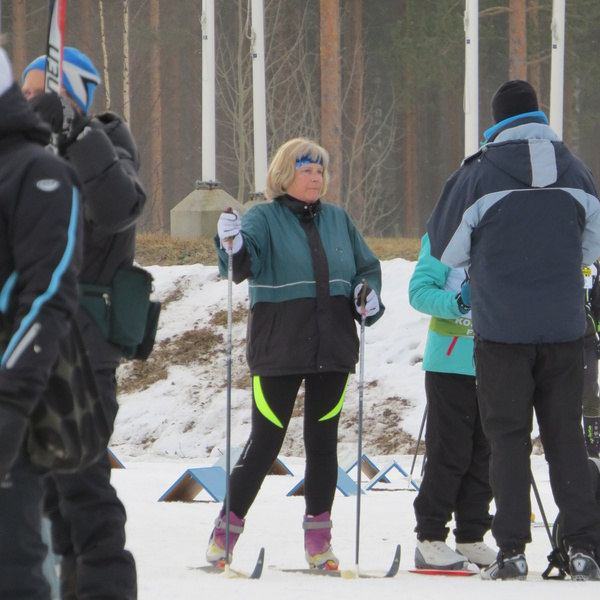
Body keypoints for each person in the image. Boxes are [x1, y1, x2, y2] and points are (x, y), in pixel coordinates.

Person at [427, 79, 600, 581]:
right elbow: (592, 248)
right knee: (566, 437)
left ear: (497, 119)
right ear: (538, 115)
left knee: (507, 440)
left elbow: (445, 250)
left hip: (502, 330)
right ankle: (584, 548)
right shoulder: (576, 170)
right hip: (564, 329)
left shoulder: (477, 174)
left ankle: (511, 551)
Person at [206, 137, 384, 570]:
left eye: (320, 170)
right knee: (265, 442)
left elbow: (366, 269)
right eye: (307, 170)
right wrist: (230, 242)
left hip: (333, 347)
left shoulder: (339, 219)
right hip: (279, 347)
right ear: (285, 174)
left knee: (323, 444)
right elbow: (241, 264)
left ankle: (319, 543)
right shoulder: (263, 217)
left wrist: (367, 294)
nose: (316, 178)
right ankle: (224, 534)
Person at [22, 47, 146, 599]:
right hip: (27, 345)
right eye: (22, 94)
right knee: (47, 495)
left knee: (82, 488)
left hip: (82, 348)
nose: (28, 102)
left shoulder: (108, 145)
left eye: (38, 93)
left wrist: (75, 132)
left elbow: (117, 207)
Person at [0, 48, 83, 599]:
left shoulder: (38, 170)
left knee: (14, 562)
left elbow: (48, 291)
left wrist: (8, 401)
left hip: (15, 390)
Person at [408, 233, 495, 571]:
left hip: (496, 360)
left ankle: (471, 535)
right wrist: (459, 302)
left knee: (485, 453)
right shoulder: (443, 234)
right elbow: (419, 292)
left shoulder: (502, 227)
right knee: (450, 451)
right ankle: (430, 536)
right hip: (450, 362)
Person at [582, 261, 600, 458]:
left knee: (589, 394)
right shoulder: (558, 257)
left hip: (587, 340)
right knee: (562, 395)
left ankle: (592, 450)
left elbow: (598, 304)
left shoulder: (593, 267)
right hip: (561, 342)